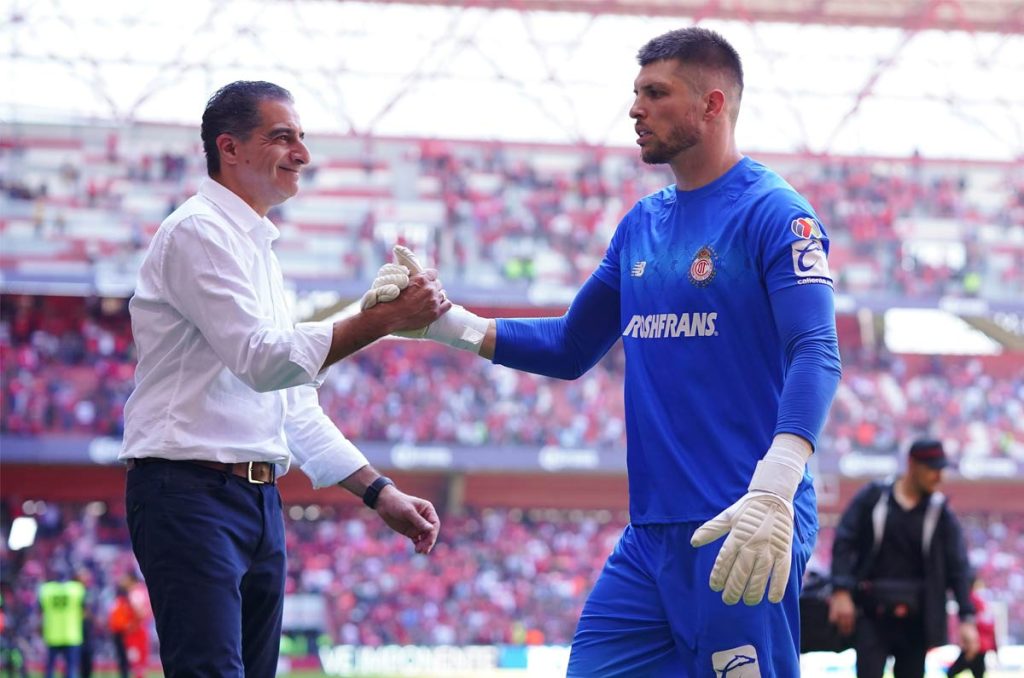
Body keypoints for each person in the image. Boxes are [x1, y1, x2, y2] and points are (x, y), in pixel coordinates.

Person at [364, 26, 841, 677]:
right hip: (651, 535)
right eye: (635, 92)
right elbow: (569, 345)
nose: (635, 109)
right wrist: (447, 323)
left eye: (655, 92)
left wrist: (778, 486)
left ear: (713, 104)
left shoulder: (776, 214)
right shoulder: (642, 225)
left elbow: (816, 348)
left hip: (745, 518)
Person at [118, 80, 447, 676]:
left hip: (255, 498)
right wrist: (382, 320)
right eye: (283, 136)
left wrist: (380, 493)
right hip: (190, 492)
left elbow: (292, 403)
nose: (302, 152)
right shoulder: (198, 232)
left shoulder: (258, 252)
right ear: (231, 148)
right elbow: (263, 360)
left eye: (301, 137)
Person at [828, 439, 980, 678]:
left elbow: (958, 567)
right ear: (912, 465)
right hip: (871, 612)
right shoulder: (874, 498)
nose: (939, 477)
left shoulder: (940, 512)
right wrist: (841, 590)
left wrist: (967, 618)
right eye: (933, 469)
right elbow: (844, 541)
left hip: (917, 620)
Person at [38, 573, 86, 678]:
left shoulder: (46, 590)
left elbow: (40, 612)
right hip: (71, 634)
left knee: (50, 668)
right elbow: (84, 611)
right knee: (71, 668)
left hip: (53, 634)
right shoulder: (76, 589)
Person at [947, 579, 997, 678]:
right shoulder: (977, 601)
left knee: (953, 672)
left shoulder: (976, 601)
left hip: (976, 645)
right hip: (976, 644)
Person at [107, 574, 150, 678]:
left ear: (131, 580)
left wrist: (133, 624)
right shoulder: (138, 592)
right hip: (133, 631)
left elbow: (141, 612)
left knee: (135, 661)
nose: (123, 581)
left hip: (134, 633)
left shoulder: (135, 593)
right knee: (135, 662)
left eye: (125, 578)